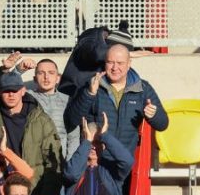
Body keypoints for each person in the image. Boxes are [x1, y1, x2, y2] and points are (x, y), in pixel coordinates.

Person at [63, 44, 168, 174]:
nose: (114, 68)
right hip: (93, 165)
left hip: (123, 165)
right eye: (110, 62)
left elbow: (163, 124)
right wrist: (89, 94)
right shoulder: (91, 84)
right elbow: (71, 120)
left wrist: (153, 115)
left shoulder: (143, 88)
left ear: (129, 63)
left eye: (120, 63)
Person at [0, 71, 64, 195]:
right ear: (0, 92)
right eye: (6, 91)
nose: (11, 94)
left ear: (23, 91)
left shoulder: (41, 120)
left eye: (15, 90)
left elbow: (53, 161)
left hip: (34, 191)